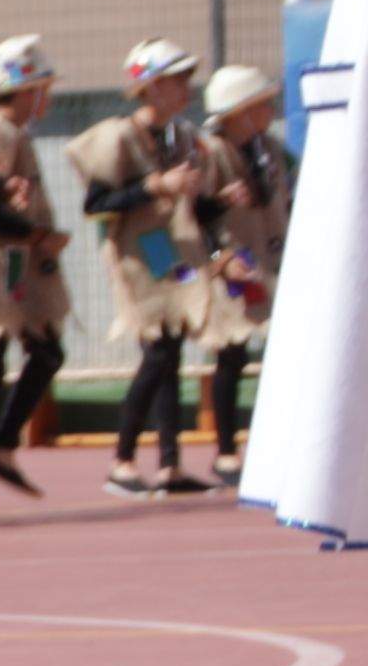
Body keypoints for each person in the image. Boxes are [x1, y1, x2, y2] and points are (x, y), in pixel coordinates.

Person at [69, 42, 215, 493]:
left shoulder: (180, 136)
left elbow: (192, 202)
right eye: (177, 79)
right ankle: (123, 461)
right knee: (156, 355)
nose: (186, 88)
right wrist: (156, 185)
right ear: (150, 87)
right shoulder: (119, 136)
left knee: (170, 350)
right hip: (137, 258)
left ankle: (170, 465)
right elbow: (97, 204)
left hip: (171, 254)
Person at [0, 37, 68, 496]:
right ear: (25, 89)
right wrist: (37, 235)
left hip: (23, 263)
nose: (47, 96)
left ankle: (1, 448)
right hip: (2, 264)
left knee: (44, 352)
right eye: (42, 87)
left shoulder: (15, 134)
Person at [199, 59, 297, 494]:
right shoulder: (210, 153)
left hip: (275, 263)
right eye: (261, 103)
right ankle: (226, 452)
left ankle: (282, 444)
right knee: (232, 355)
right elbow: (190, 217)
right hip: (233, 267)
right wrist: (218, 257)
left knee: (288, 353)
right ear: (238, 112)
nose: (270, 110)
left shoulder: (270, 148)